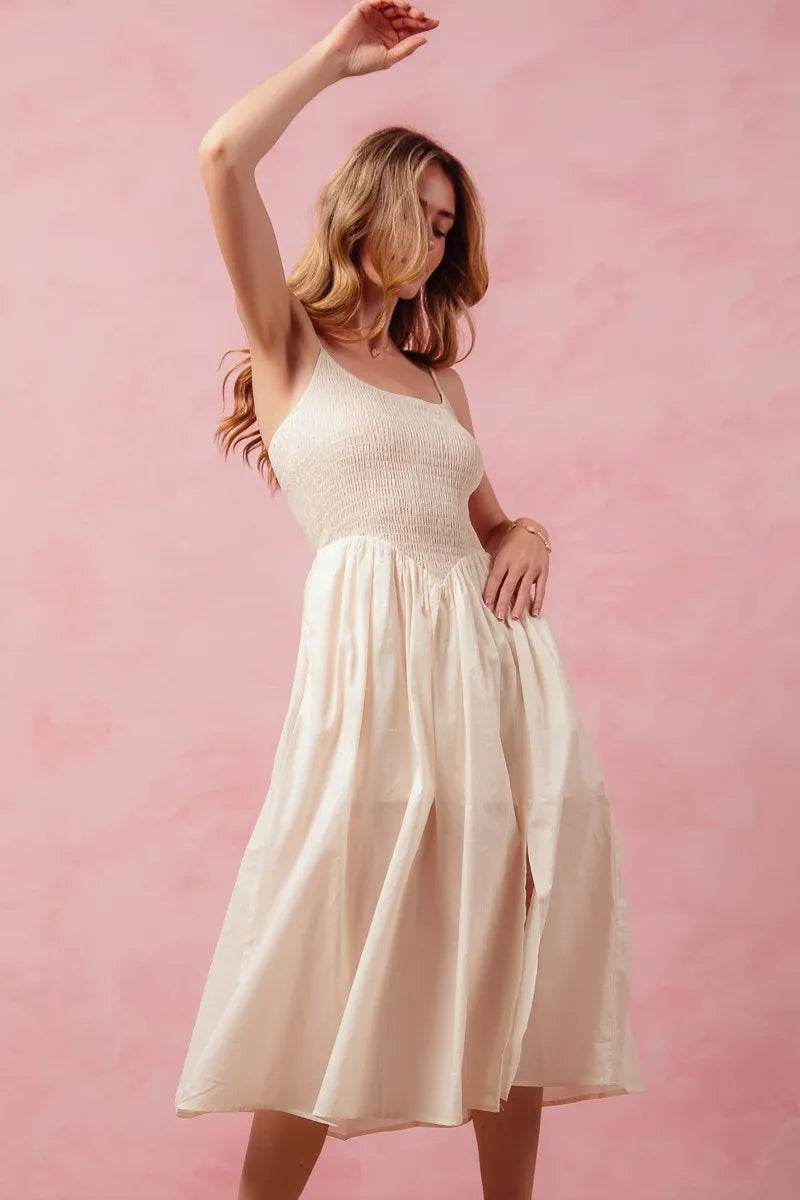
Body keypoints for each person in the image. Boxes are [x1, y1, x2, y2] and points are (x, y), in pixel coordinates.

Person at [174, 4, 644, 1198]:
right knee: (328, 943)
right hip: (373, 681)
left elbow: (494, 526)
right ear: (362, 206)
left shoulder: (438, 387)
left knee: (516, 942)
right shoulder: (287, 348)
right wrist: (334, 64)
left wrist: (532, 531)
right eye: (418, 215)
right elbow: (223, 156)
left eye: (448, 227)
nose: (434, 242)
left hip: (493, 675)